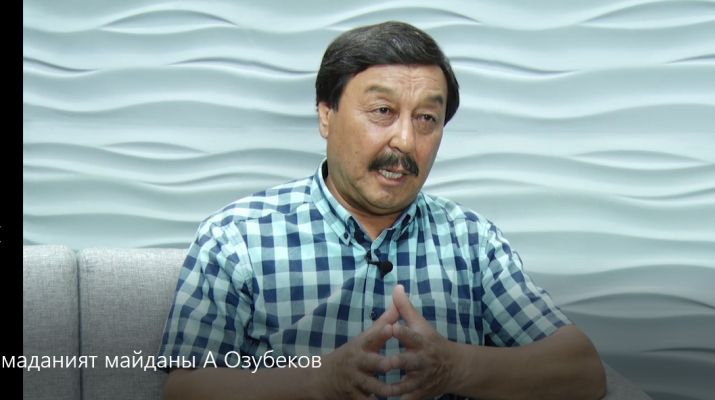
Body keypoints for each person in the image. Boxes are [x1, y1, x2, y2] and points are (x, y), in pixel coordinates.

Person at [158, 21, 606, 400]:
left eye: (426, 119)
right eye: (382, 110)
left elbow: (583, 371)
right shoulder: (237, 236)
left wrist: (454, 366)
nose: (406, 141)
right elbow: (187, 388)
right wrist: (321, 379)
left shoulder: (473, 241)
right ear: (326, 114)